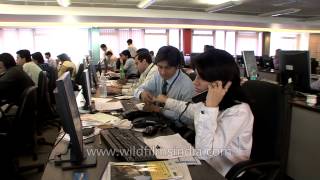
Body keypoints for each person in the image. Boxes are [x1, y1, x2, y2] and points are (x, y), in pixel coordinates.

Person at [153, 48, 254, 176]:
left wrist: (210, 107)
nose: (195, 82)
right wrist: (166, 101)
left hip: (220, 172)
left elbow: (205, 153)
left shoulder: (239, 112)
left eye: (201, 78)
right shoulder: (217, 102)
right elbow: (190, 109)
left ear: (219, 82)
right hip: (203, 163)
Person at [134, 45, 195, 124]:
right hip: (157, 121)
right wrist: (142, 94)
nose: (163, 72)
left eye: (168, 68)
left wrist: (159, 110)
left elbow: (188, 118)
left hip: (177, 129)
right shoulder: (157, 76)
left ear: (177, 66)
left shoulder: (187, 85)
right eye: (160, 67)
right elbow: (137, 89)